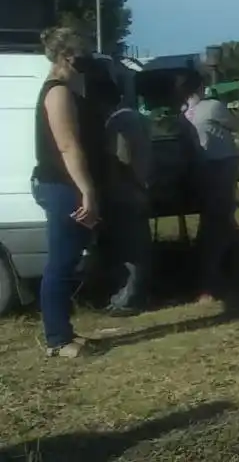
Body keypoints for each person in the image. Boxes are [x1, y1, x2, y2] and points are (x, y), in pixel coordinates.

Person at [31, 27, 99, 357]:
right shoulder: (57, 92)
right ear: (65, 58)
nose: (85, 62)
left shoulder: (68, 88)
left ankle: (65, 332)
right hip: (60, 186)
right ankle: (57, 340)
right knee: (61, 263)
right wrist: (87, 191)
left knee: (69, 260)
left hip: (64, 184)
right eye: (80, 56)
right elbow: (68, 146)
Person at [94, 64, 153, 316]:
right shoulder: (135, 116)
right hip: (136, 188)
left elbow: (122, 158)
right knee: (136, 243)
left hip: (126, 190)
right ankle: (133, 294)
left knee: (130, 247)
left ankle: (129, 298)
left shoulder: (119, 121)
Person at [178, 70, 239, 304]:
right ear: (201, 87)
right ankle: (211, 285)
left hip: (199, 171)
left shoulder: (183, 115)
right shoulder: (213, 107)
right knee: (218, 226)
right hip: (221, 169)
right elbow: (235, 124)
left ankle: (214, 279)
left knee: (210, 225)